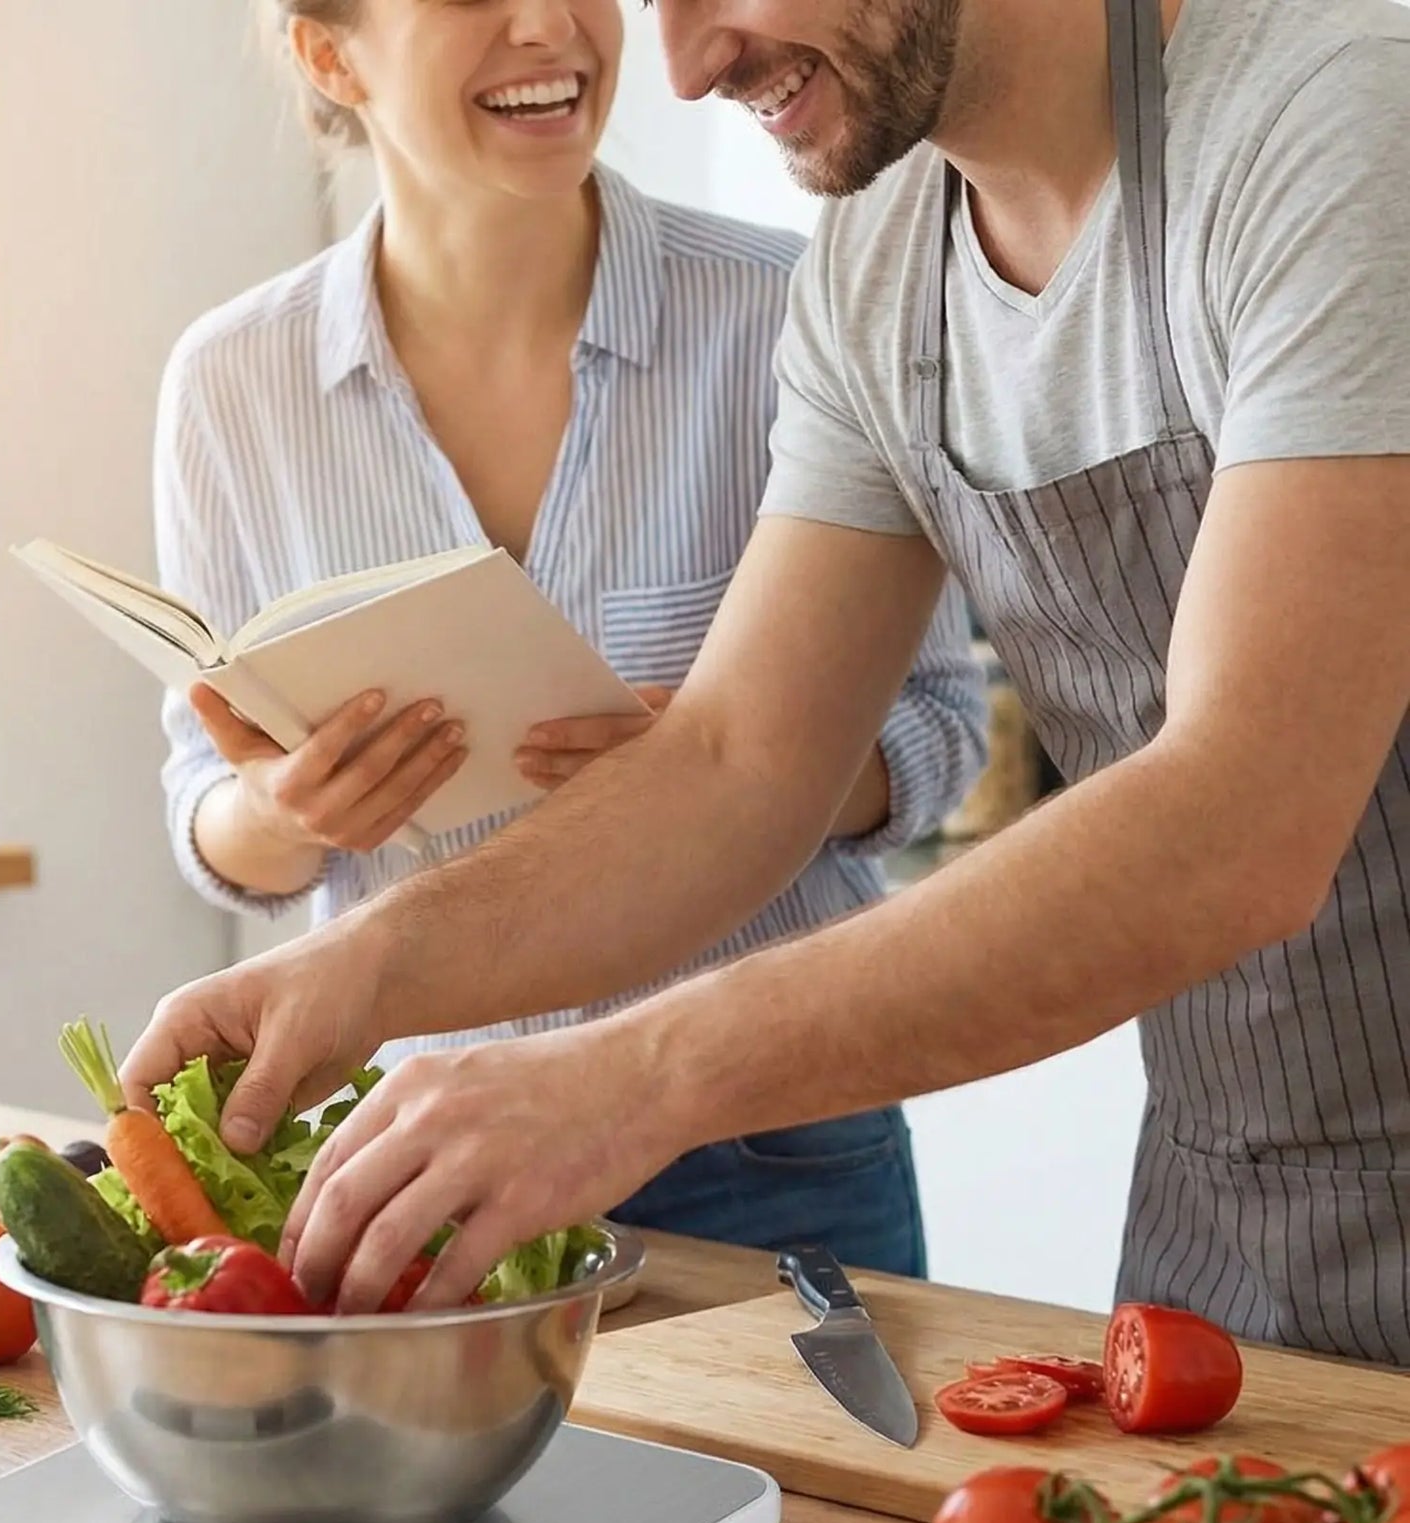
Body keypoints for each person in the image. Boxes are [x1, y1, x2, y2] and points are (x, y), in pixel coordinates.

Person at [149, 0, 987, 1275]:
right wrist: (285, 810)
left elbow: (938, 729)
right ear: (330, 54)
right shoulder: (234, 383)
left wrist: (747, 759)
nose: (546, 27)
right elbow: (205, 804)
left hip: (769, 1134)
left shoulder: (790, 312)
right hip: (422, 1147)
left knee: (828, 1482)